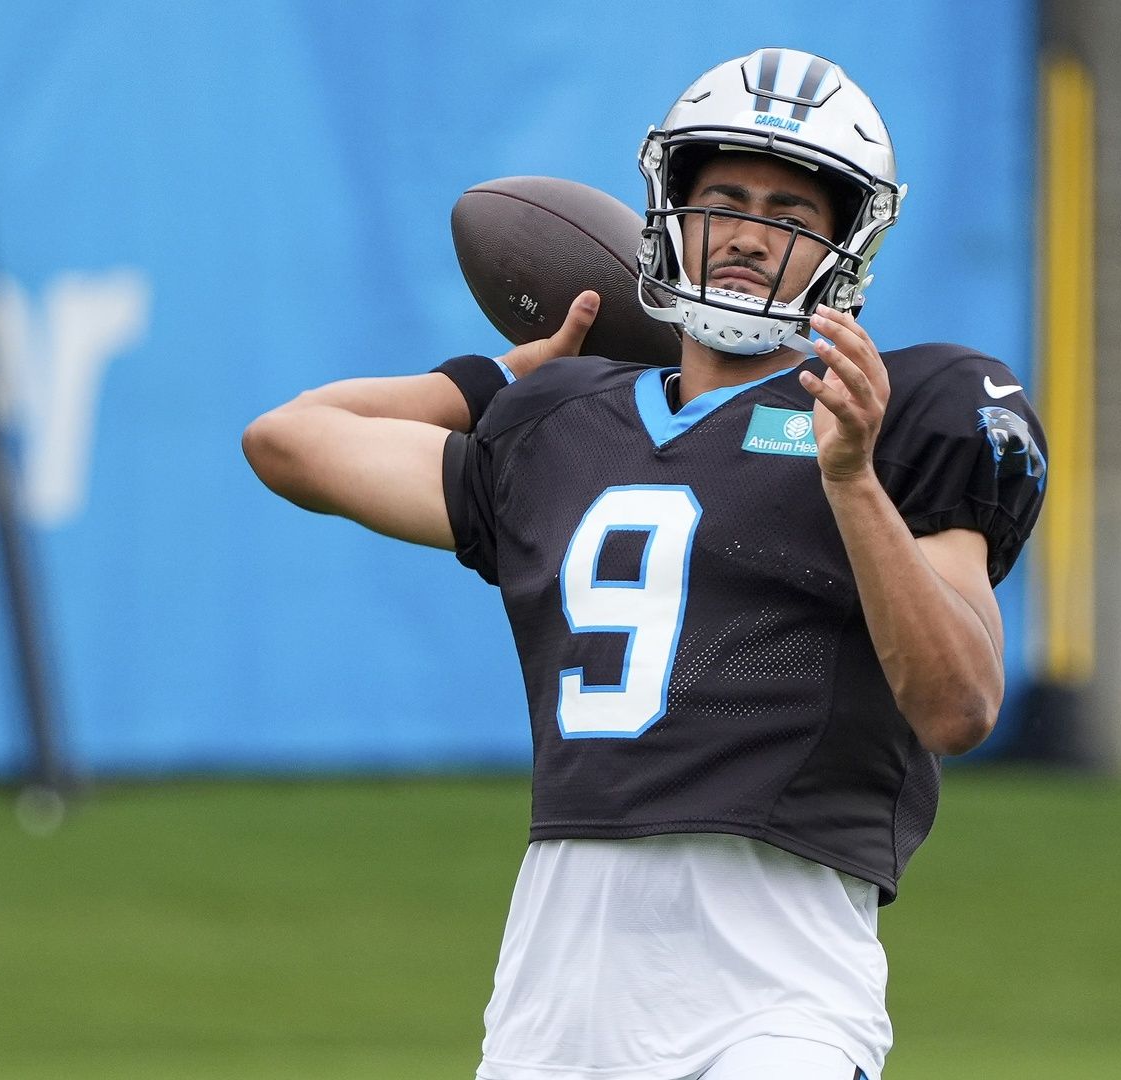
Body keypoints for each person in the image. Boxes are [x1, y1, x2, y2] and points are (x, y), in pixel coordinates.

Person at [244, 47, 1045, 1080]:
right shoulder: (556, 424)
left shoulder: (901, 413)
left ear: (843, 246)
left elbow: (958, 706)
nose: (752, 234)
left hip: (777, 991)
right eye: (725, 198)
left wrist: (849, 482)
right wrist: (496, 376)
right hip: (557, 985)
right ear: (666, 209)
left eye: (791, 213)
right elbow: (291, 439)